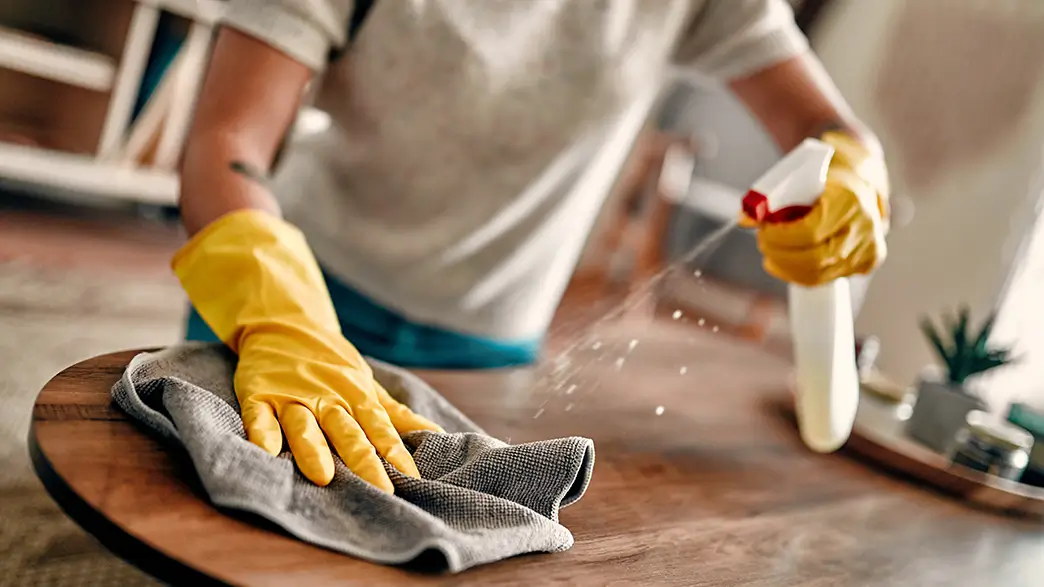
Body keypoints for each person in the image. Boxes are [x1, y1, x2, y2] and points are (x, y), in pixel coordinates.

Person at [174, 0, 890, 489]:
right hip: (280, 306)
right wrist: (281, 317)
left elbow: (832, 129)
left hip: (489, 356)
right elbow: (227, 139)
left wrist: (855, 174)